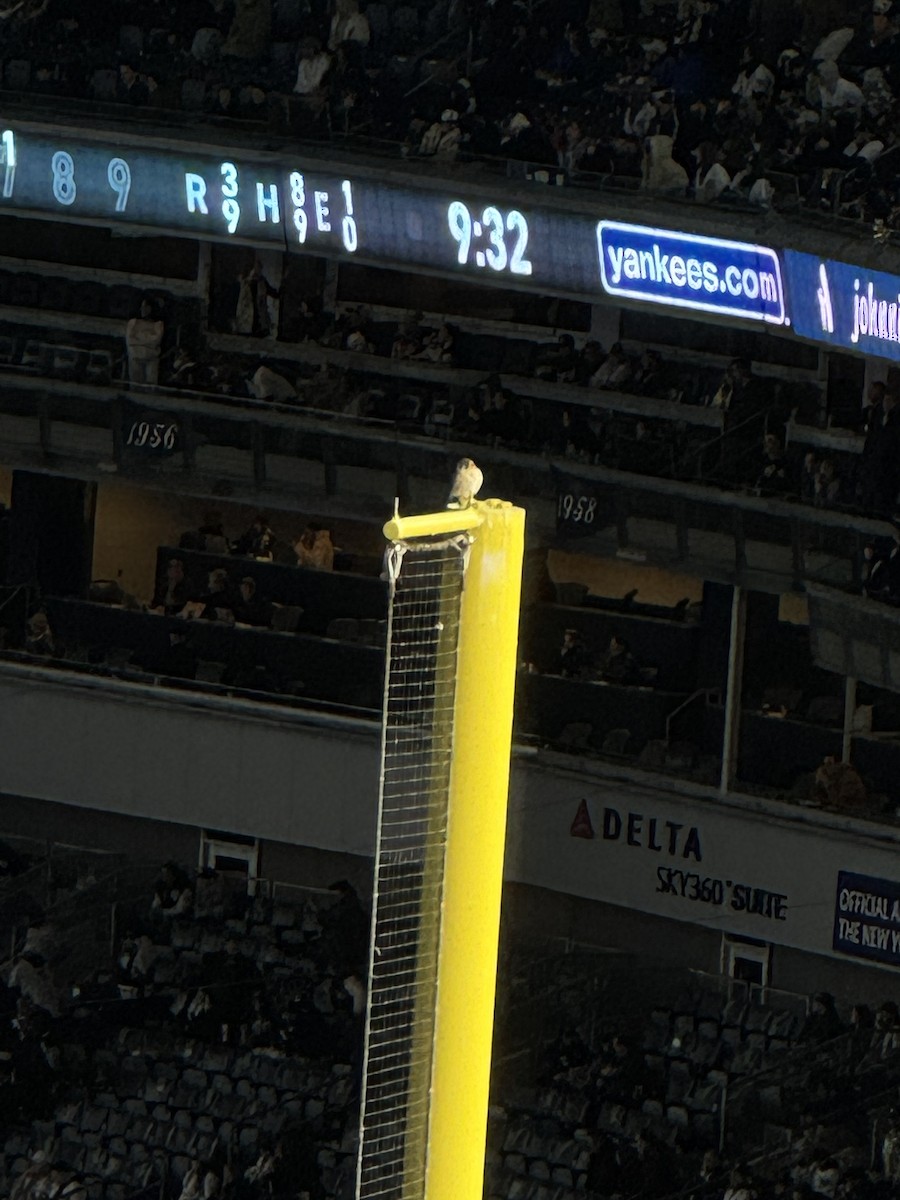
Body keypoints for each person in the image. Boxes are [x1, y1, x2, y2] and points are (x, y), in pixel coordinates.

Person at [126, 297, 164, 385]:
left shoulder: (158, 325)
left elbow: (155, 341)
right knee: (135, 383)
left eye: (146, 307)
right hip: (135, 357)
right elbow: (130, 340)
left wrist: (139, 336)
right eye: (142, 307)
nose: (143, 309)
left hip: (151, 358)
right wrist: (148, 336)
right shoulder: (133, 322)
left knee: (150, 385)